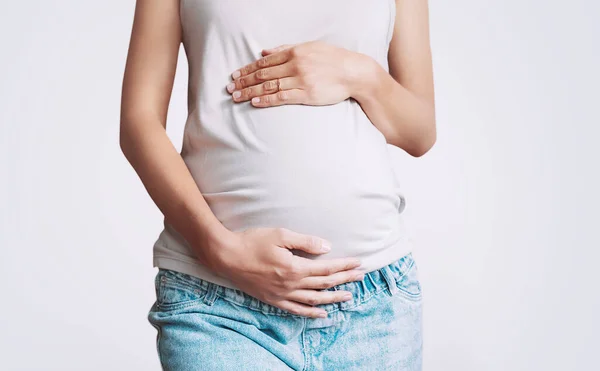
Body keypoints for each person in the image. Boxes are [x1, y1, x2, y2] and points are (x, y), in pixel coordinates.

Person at [120, 0, 435, 369]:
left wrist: (358, 73)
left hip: (372, 302)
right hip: (219, 302)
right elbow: (138, 121)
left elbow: (419, 132)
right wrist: (217, 248)